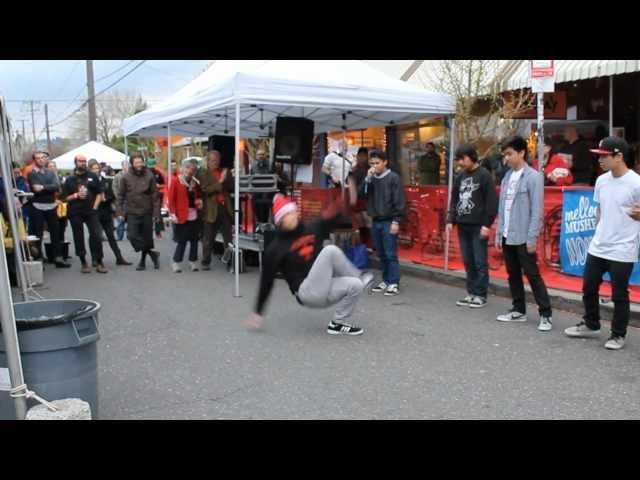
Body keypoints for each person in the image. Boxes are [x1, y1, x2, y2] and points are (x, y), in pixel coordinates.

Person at [243, 193, 374, 335]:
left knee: (355, 285)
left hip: (323, 288)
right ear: (280, 220)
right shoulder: (275, 248)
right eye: (288, 214)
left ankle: (338, 323)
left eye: (293, 212)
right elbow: (266, 282)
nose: (293, 216)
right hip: (306, 292)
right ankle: (360, 276)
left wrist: (344, 205)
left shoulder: (312, 227)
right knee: (330, 251)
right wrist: (258, 312)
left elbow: (333, 220)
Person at [565, 137, 640, 350]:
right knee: (588, 287)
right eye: (599, 156)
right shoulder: (601, 181)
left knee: (619, 294)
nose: (600, 160)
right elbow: (599, 210)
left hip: (623, 248)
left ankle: (618, 335)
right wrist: (600, 231)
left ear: (619, 157)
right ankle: (591, 324)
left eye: (604, 156)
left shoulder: (636, 182)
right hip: (598, 245)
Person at [495, 136, 553, 331]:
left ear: (521, 153)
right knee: (512, 274)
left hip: (523, 235)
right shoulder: (506, 177)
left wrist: (532, 238)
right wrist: (498, 234)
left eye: (510, 154)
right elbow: (502, 208)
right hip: (507, 234)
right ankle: (518, 309)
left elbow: (537, 211)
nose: (507, 158)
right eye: (505, 155)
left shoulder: (533, 177)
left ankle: (546, 314)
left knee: (533, 275)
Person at [446, 144, 498, 309]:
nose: (460, 162)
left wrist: (486, 224)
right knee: (468, 260)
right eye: (458, 159)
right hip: (463, 224)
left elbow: (491, 202)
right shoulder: (459, 176)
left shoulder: (484, 175)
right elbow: (454, 199)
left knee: (479, 261)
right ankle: (471, 292)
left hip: (478, 225)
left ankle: (481, 294)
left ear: (471, 156)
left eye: (463, 158)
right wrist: (450, 219)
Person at [363, 150, 405, 296]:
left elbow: (399, 200)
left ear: (385, 162)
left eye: (377, 163)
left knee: (390, 252)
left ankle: (394, 282)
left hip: (389, 220)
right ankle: (386, 280)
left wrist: (396, 220)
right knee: (381, 252)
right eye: (372, 163)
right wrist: (367, 179)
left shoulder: (394, 178)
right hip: (376, 220)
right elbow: (363, 194)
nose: (374, 166)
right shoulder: (372, 179)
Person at [61, 155, 107, 273]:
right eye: (80, 161)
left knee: (96, 235)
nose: (83, 163)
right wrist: (76, 195)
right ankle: (83, 262)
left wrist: (95, 207)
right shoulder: (70, 179)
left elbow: (99, 193)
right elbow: (65, 198)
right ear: (75, 162)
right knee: (78, 236)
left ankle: (99, 261)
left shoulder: (92, 176)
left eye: (84, 161)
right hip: (75, 211)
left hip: (91, 211)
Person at [116, 153, 161, 271]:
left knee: (146, 238)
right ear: (132, 164)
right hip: (132, 212)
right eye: (136, 163)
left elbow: (155, 196)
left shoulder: (149, 175)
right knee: (132, 236)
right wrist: (119, 212)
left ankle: (142, 262)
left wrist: (156, 214)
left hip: (147, 211)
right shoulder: (125, 177)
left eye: (140, 162)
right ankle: (152, 254)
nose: (139, 165)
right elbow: (120, 195)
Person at [26, 151, 70, 268]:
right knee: (38, 233)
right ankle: (39, 258)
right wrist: (48, 187)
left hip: (51, 205)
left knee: (55, 232)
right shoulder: (32, 174)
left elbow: (56, 186)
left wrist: (43, 187)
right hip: (37, 206)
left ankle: (58, 257)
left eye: (43, 158)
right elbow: (36, 189)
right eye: (38, 158)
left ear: (46, 159)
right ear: (34, 160)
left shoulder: (51, 173)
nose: (41, 160)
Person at [88, 159, 131, 266]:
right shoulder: (88, 183)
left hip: (106, 211)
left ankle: (119, 257)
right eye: (93, 169)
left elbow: (113, 196)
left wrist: (106, 198)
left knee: (111, 236)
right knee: (95, 236)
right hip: (94, 213)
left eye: (97, 168)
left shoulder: (106, 181)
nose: (96, 171)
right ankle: (96, 259)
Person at [197, 150, 234, 270]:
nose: (216, 162)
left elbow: (231, 188)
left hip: (225, 207)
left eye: (217, 160)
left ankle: (230, 262)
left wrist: (229, 177)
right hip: (211, 209)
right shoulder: (203, 173)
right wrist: (221, 181)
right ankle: (205, 261)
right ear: (207, 161)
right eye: (213, 160)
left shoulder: (223, 171)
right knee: (208, 237)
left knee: (228, 238)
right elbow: (206, 189)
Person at [169, 158, 202, 273]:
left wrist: (199, 201)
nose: (189, 171)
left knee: (194, 240)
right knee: (182, 240)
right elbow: (171, 199)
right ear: (182, 169)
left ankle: (193, 261)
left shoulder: (195, 182)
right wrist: (173, 214)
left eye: (192, 169)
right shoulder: (176, 181)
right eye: (187, 168)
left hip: (194, 215)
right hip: (181, 215)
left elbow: (198, 197)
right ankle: (176, 262)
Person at [348, 147, 372, 246]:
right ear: (357, 156)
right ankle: (364, 244)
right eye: (360, 156)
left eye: (364, 156)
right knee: (360, 223)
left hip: (368, 199)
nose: (362, 158)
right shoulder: (353, 171)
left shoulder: (370, 169)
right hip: (358, 199)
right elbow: (351, 185)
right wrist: (352, 199)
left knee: (368, 222)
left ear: (367, 157)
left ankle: (371, 244)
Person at [250, 149, 273, 224]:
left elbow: (273, 176)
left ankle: (264, 224)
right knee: (256, 207)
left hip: (266, 190)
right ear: (256, 156)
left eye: (262, 154)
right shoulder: (253, 165)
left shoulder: (270, 164)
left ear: (265, 155)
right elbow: (250, 177)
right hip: (256, 190)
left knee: (264, 207)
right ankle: (259, 224)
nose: (261, 156)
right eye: (259, 154)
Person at [146, 157, 166, 240]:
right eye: (149, 166)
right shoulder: (144, 173)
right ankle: (147, 232)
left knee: (158, 214)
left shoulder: (158, 173)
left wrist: (158, 186)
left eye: (152, 166)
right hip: (146, 197)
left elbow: (164, 184)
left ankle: (158, 232)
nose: (151, 167)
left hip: (157, 196)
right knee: (147, 215)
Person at [112, 160, 129, 241]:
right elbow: (114, 187)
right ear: (122, 166)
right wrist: (118, 197)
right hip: (120, 201)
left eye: (128, 165)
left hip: (130, 200)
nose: (126, 167)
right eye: (125, 165)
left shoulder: (132, 175)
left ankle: (130, 236)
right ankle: (120, 236)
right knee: (120, 219)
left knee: (130, 219)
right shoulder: (118, 176)